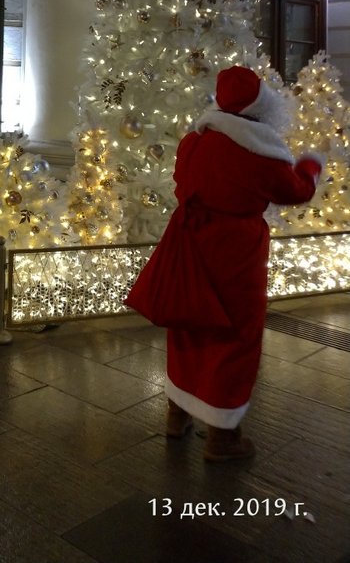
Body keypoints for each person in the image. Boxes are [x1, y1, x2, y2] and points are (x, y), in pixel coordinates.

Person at [125, 65, 323, 462]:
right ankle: (222, 437)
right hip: (237, 251)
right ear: (260, 106)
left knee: (189, 323)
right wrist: (310, 167)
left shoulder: (194, 141)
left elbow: (182, 185)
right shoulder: (259, 150)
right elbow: (295, 191)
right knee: (235, 334)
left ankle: (176, 415)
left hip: (191, 242)